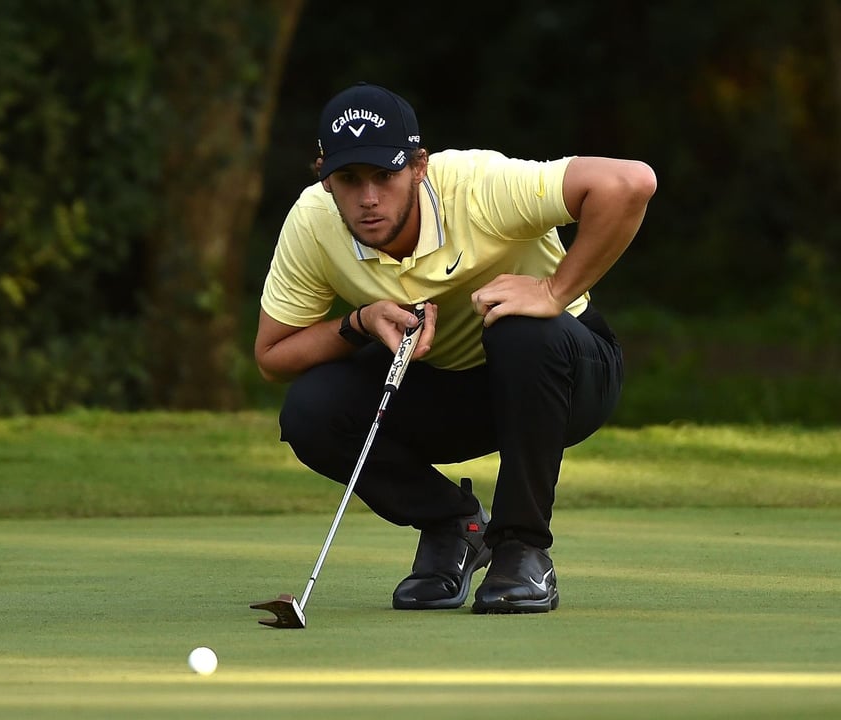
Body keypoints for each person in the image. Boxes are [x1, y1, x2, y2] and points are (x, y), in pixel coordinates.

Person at [255, 82, 655, 614]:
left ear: (419, 166)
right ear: (324, 176)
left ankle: (522, 549)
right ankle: (453, 524)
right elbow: (273, 357)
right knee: (311, 411)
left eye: (385, 175)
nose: (368, 198)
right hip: (450, 385)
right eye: (349, 179)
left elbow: (630, 182)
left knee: (519, 327)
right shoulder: (313, 221)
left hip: (568, 378)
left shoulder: (478, 186)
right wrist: (358, 321)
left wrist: (554, 292)